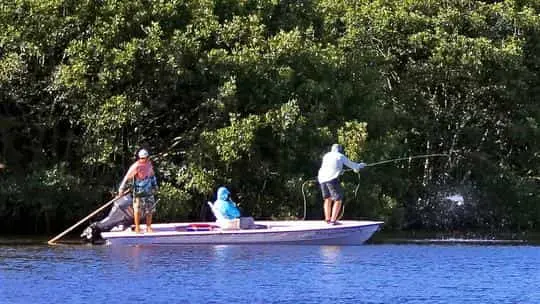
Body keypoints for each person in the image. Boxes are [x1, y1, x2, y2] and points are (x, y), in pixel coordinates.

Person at [317, 144, 366, 225]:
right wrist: (360, 166)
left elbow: (331, 166)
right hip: (331, 179)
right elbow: (353, 165)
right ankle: (333, 221)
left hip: (321, 179)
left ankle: (328, 219)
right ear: (339, 150)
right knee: (338, 199)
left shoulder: (326, 155)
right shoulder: (340, 156)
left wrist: (340, 171)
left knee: (327, 198)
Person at [117, 148, 158, 233]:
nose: (144, 160)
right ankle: (137, 227)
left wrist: (155, 185)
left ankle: (148, 227)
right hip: (138, 192)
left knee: (149, 210)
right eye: (142, 158)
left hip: (148, 191)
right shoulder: (135, 166)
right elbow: (126, 177)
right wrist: (121, 188)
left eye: (145, 158)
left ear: (148, 157)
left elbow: (152, 175)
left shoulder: (149, 165)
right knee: (137, 210)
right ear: (139, 158)